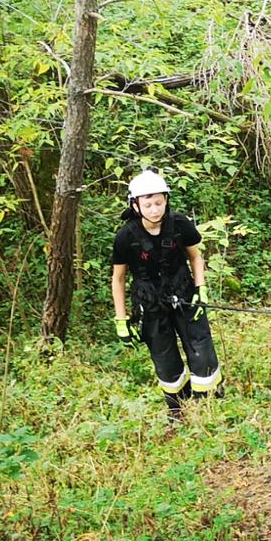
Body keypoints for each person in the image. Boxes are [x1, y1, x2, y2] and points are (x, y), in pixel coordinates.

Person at [111, 170, 221, 414]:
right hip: (150, 304)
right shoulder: (125, 236)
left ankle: (210, 403)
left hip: (184, 295)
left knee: (201, 348)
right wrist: (121, 320)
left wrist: (200, 290)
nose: (154, 209)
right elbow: (118, 279)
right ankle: (177, 409)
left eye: (159, 203)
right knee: (165, 358)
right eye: (148, 204)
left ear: (166, 201)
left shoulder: (180, 224)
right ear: (136, 206)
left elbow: (195, 257)